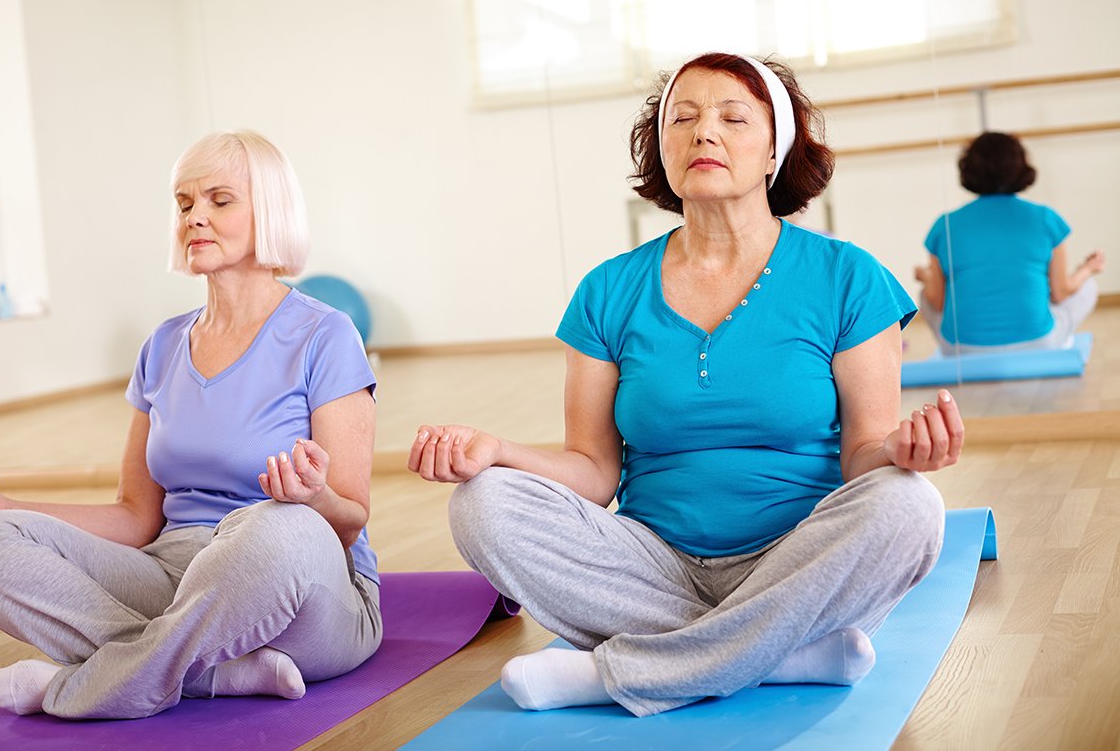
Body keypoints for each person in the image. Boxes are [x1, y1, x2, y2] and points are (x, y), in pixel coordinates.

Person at [408, 52, 964, 718]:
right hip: (653, 565)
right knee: (481, 503)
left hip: (794, 558)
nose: (705, 132)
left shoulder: (847, 276)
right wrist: (495, 449)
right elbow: (591, 471)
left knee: (909, 504)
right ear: (662, 152)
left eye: (733, 117)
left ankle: (621, 671)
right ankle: (779, 653)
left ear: (773, 153)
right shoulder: (607, 289)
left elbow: (862, 455)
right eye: (683, 118)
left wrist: (903, 452)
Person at [0, 130, 381, 720]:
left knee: (276, 530)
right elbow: (136, 517)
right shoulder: (162, 346)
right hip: (172, 576)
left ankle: (90, 687)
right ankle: (210, 675)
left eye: (219, 200)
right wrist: (1, 505)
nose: (196, 218)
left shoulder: (326, 334)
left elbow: (348, 522)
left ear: (270, 210)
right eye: (185, 204)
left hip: (303, 587)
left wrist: (314, 498)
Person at [916, 131, 1105, 355]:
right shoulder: (1045, 218)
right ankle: (1058, 342)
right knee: (1089, 286)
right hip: (1039, 343)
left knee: (923, 294)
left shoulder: (944, 225)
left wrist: (924, 276)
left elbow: (937, 302)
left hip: (960, 350)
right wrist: (1088, 269)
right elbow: (1061, 292)